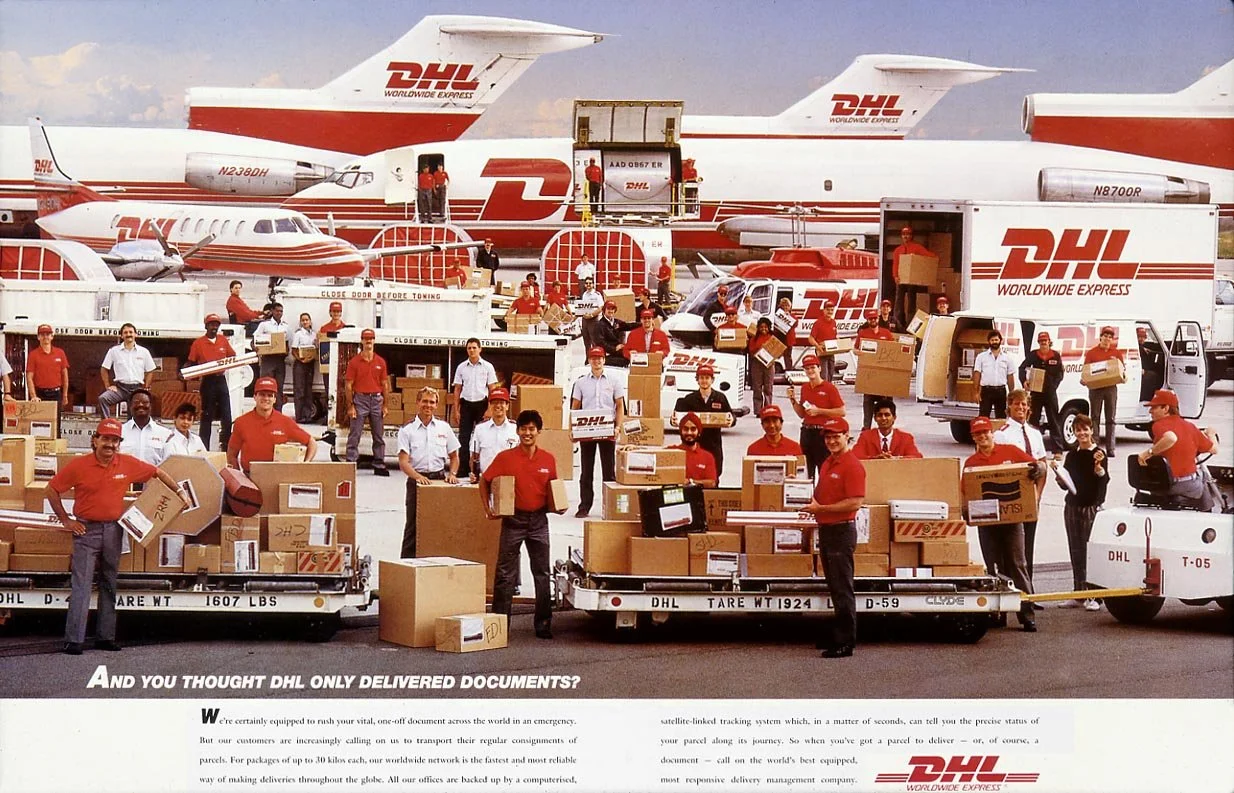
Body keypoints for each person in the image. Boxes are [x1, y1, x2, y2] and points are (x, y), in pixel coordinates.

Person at [47, 417, 191, 654]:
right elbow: (51, 489)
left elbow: (157, 472)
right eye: (106, 439)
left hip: (114, 530)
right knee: (82, 585)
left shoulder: (126, 463)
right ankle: (74, 640)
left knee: (109, 583)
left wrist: (179, 492)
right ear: (95, 440)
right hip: (86, 531)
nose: (110, 445)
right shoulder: (79, 465)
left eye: (115, 440)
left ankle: (105, 637)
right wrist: (66, 520)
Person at [479, 409, 564, 639]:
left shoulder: (548, 459)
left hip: (539, 521)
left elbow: (554, 489)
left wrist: (559, 506)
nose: (527, 433)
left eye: (531, 429)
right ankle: (499, 626)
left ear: (538, 431)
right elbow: (484, 480)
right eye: (523, 429)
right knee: (505, 573)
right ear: (517, 432)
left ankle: (543, 624)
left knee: (542, 572)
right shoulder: (505, 458)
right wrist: (488, 508)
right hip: (513, 520)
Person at [965, 416, 1045, 632]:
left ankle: (1027, 614)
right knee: (993, 568)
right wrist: (966, 511)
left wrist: (1038, 469)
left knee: (1018, 565)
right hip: (987, 524)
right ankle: (997, 613)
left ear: (992, 433)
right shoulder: (971, 463)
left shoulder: (1010, 451)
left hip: (1012, 520)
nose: (983, 436)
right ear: (973, 437)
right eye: (978, 434)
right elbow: (966, 493)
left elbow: (1038, 465)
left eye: (985, 432)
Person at [799, 416, 864, 658]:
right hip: (827, 529)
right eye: (828, 437)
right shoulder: (828, 462)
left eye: (836, 436)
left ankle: (846, 642)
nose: (832, 441)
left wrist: (821, 509)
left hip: (840, 531)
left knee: (842, 587)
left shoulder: (852, 466)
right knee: (834, 586)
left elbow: (855, 502)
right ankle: (839, 634)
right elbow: (821, 494)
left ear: (847, 436)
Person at [397, 386, 460, 558]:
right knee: (413, 526)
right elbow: (403, 462)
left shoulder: (444, 428)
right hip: (416, 481)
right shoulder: (407, 430)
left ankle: (436, 561)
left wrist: (452, 474)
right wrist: (418, 477)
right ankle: (407, 564)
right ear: (417, 402)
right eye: (424, 401)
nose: (428, 405)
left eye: (432, 402)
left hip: (439, 480)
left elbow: (454, 457)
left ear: (436, 405)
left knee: (438, 525)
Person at [995, 389, 1049, 583]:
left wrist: (1037, 496)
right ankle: (1011, 586)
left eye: (1024, 404)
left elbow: (1043, 466)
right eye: (1016, 403)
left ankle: (1028, 589)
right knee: (1011, 548)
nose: (1020, 407)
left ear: (1029, 408)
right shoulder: (1001, 435)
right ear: (1009, 406)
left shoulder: (1035, 434)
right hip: (1012, 497)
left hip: (1031, 497)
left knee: (1028, 546)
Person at [1136, 388, 1220, 510]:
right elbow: (1214, 449)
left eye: (1154, 407)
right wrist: (1211, 434)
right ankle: (1207, 511)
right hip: (1185, 486)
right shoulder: (1190, 427)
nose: (1150, 411)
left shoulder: (1158, 426)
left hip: (1159, 486)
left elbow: (1170, 438)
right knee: (1202, 476)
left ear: (1166, 409)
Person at [1061, 414, 1109, 611]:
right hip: (1072, 505)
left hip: (1090, 506)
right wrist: (1059, 476)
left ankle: (1095, 596)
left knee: (1090, 552)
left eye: (1085, 429)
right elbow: (1066, 483)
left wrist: (1099, 469)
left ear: (1091, 430)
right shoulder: (1072, 455)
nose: (1081, 433)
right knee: (1076, 550)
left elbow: (1104, 481)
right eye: (1078, 430)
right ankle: (1079, 593)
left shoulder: (1099, 453)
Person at [570, 346, 626, 518]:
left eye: (599, 358)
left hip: (607, 430)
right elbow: (575, 407)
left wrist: (618, 427)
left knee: (609, 471)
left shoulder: (614, 380)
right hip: (587, 430)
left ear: (604, 360)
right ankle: (584, 506)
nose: (597, 361)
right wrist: (572, 429)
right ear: (589, 360)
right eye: (593, 358)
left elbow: (620, 406)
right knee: (586, 471)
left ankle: (609, 506)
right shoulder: (580, 383)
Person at [227, 377, 316, 472]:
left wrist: (306, 464)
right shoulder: (241, 422)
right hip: (249, 476)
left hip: (277, 476)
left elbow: (311, 442)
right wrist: (237, 476)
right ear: (255, 397)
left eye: (270, 395)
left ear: (274, 399)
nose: (266, 398)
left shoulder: (285, 422)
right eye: (262, 394)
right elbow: (231, 454)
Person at [787, 354, 846, 478]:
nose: (810, 371)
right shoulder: (805, 388)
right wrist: (793, 400)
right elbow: (802, 414)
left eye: (812, 367)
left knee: (824, 471)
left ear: (819, 368)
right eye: (807, 368)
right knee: (806, 472)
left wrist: (819, 411)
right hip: (807, 432)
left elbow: (841, 411)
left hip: (822, 434)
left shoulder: (829, 388)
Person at [344, 328, 391, 475]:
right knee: (355, 434)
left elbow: (385, 384)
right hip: (360, 400)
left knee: (378, 435)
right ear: (362, 341)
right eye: (366, 338)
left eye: (371, 338)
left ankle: (379, 464)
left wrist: (385, 405)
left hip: (376, 400)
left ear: (374, 341)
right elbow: (348, 385)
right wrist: (350, 406)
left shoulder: (380, 362)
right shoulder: (354, 362)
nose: (368, 341)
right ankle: (350, 464)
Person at [673, 364, 734, 476]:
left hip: (714, 443)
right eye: (701, 378)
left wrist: (732, 420)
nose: (704, 381)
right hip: (694, 443)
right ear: (697, 380)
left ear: (712, 380)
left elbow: (731, 415)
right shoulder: (690, 399)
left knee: (715, 473)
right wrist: (673, 420)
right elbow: (678, 417)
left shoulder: (720, 398)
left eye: (707, 378)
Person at [186, 313, 236, 449]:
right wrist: (183, 372)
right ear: (206, 326)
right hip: (208, 381)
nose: (214, 327)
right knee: (207, 416)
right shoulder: (198, 343)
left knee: (227, 415)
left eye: (216, 325)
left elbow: (232, 356)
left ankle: (226, 446)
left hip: (221, 380)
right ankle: (204, 447)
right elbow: (191, 361)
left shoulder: (223, 340)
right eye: (211, 324)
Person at [451, 338, 498, 479]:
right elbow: (457, 389)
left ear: (480, 349)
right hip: (466, 405)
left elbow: (492, 389)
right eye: (469, 348)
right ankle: (463, 469)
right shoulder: (461, 367)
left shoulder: (488, 367)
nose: (471, 350)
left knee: (483, 437)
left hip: (482, 405)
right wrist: (456, 410)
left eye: (474, 347)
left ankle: (480, 468)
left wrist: (489, 409)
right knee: (463, 438)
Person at [1082, 326, 1126, 456]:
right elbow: (1086, 371)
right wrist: (1084, 380)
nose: (1107, 339)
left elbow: (1122, 370)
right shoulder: (1092, 353)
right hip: (1096, 388)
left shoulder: (1116, 354)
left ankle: (1110, 448)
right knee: (1095, 417)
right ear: (1100, 337)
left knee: (1111, 418)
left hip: (1110, 388)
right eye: (1105, 336)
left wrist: (1123, 377)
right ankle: (1095, 445)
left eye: (1110, 337)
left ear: (1112, 339)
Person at [99, 323, 156, 418]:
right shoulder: (114, 351)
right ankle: (106, 424)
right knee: (103, 398)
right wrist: (107, 386)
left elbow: (150, 370)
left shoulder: (144, 352)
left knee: (133, 415)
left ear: (135, 334)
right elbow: (104, 368)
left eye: (131, 332)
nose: (128, 334)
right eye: (125, 332)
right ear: (121, 336)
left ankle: (132, 426)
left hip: (137, 389)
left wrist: (146, 387)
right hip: (120, 389)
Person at [1018, 331, 1064, 447]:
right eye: (1041, 341)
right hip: (1036, 392)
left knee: (1054, 420)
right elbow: (1022, 368)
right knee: (1033, 420)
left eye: (1045, 340)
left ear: (1049, 342)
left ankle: (1057, 449)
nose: (1043, 343)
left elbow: (1060, 373)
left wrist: (1054, 385)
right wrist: (1024, 381)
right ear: (1038, 342)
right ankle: (1033, 446)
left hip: (1050, 393)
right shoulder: (1033, 355)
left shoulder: (1055, 355)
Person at [856, 310, 896, 430]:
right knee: (868, 400)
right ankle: (866, 427)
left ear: (878, 319)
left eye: (875, 318)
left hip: (884, 373)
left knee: (886, 401)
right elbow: (855, 349)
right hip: (869, 373)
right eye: (871, 319)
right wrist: (861, 353)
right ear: (868, 320)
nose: (873, 320)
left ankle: (887, 426)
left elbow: (894, 349)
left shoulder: (886, 333)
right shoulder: (863, 333)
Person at [469, 388, 518, 482]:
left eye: (501, 402)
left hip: (508, 481)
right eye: (494, 403)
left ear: (507, 406)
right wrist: (473, 473)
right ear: (490, 406)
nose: (498, 406)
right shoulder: (480, 429)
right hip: (486, 480)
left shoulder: (515, 429)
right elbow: (474, 456)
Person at [26, 323, 70, 428]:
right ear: (38, 337)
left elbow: (65, 376)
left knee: (56, 424)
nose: (45, 337)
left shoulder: (60, 353)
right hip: (40, 394)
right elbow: (29, 377)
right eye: (42, 334)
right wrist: (33, 396)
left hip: (56, 394)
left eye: (48, 334)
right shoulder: (33, 355)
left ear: (52, 336)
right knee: (40, 424)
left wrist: (65, 395)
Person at [891, 225, 933, 329]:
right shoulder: (898, 250)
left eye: (908, 234)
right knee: (898, 303)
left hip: (912, 280)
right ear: (901, 236)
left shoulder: (916, 248)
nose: (906, 236)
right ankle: (897, 324)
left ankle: (910, 325)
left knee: (911, 303)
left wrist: (935, 258)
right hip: (901, 279)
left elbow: (928, 256)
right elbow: (895, 264)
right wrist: (895, 276)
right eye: (904, 234)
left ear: (911, 236)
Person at [852, 399, 923, 459]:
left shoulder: (905, 438)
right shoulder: (866, 437)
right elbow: (855, 456)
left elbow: (917, 457)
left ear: (894, 417)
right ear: (875, 418)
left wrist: (897, 459)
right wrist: (875, 458)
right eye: (880, 415)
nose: (883, 418)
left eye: (887, 415)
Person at [119, 390, 173, 466]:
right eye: (136, 402)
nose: (140, 405)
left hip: (155, 474)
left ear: (151, 406)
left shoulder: (165, 434)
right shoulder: (120, 431)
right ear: (130, 406)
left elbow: (168, 463)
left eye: (145, 402)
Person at [254, 302, 290, 410]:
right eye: (277, 311)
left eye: (281, 311)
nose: (279, 313)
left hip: (280, 359)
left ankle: (278, 412)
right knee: (266, 385)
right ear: (272, 311)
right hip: (268, 359)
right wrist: (257, 348)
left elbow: (287, 342)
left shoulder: (285, 326)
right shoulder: (265, 325)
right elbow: (255, 340)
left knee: (279, 387)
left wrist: (286, 350)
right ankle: (263, 410)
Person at [973, 330, 1014, 419]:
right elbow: (977, 374)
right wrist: (976, 392)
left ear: (1000, 340)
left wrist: (1011, 394)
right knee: (983, 417)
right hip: (986, 391)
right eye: (992, 340)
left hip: (1001, 391)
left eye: (996, 340)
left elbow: (1010, 376)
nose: (994, 342)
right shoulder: (981, 357)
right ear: (989, 341)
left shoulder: (1007, 358)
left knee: (1001, 417)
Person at [317, 301, 348, 414]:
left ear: (341, 313)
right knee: (329, 391)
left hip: (341, 366)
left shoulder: (345, 328)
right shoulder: (324, 328)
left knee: (342, 391)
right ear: (330, 313)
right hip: (328, 366)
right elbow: (320, 345)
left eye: (338, 311)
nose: (336, 314)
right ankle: (329, 415)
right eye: (334, 311)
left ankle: (341, 414)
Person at [673, 413, 718, 488]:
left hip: (697, 494)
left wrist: (691, 481)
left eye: (693, 429)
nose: (689, 433)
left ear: (699, 432)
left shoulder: (707, 457)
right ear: (681, 431)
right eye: (686, 429)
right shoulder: (671, 452)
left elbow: (712, 483)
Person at [290, 312, 318, 424]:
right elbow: (293, 350)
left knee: (308, 391)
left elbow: (315, 349)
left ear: (310, 321)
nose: (305, 322)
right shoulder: (298, 334)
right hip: (300, 364)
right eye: (303, 320)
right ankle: (300, 416)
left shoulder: (314, 334)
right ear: (300, 322)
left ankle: (307, 415)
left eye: (307, 320)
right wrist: (301, 359)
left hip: (310, 363)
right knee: (299, 390)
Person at [747, 317, 776, 415]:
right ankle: (758, 410)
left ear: (769, 327)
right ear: (758, 328)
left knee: (768, 387)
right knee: (757, 388)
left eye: (766, 327)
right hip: (757, 364)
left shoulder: (773, 338)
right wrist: (760, 350)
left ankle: (767, 408)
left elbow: (778, 351)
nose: (764, 329)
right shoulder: (754, 338)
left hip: (769, 365)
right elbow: (751, 350)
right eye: (761, 327)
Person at [807, 300, 839, 383]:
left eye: (832, 310)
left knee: (831, 374)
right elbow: (811, 338)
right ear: (824, 310)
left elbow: (834, 337)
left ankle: (828, 389)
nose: (830, 312)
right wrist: (818, 347)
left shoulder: (834, 322)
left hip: (831, 352)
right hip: (822, 352)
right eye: (828, 310)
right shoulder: (818, 323)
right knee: (824, 375)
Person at [595, 300, 634, 366]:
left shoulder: (616, 322)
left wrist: (642, 324)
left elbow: (629, 326)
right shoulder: (599, 325)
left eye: (612, 309)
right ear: (604, 310)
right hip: (607, 353)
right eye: (608, 309)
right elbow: (600, 342)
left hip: (617, 351)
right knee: (624, 360)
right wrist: (614, 348)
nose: (611, 311)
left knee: (630, 355)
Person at [577, 277, 604, 349]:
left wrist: (591, 315)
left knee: (594, 340)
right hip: (585, 320)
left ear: (593, 284)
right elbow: (583, 307)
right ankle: (588, 356)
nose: (588, 285)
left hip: (593, 320)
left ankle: (596, 354)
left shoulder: (597, 295)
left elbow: (601, 307)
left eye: (590, 283)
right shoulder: (584, 294)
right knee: (586, 341)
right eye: (586, 283)